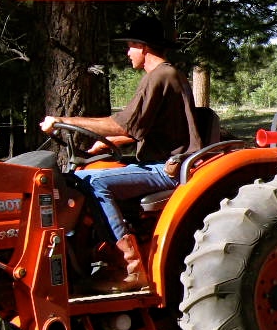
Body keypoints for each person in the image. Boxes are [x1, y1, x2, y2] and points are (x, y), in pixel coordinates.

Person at [40, 16, 201, 290]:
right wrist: (105, 143)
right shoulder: (161, 76)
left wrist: (64, 120)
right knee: (84, 173)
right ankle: (89, 255)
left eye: (130, 46)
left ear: (144, 47)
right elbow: (139, 127)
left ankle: (130, 264)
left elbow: (124, 123)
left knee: (93, 183)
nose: (127, 53)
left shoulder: (161, 76)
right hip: (156, 161)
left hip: (167, 167)